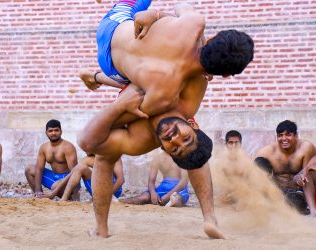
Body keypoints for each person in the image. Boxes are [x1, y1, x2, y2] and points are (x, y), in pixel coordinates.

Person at [78, 0, 253, 239]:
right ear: (222, 74)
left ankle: (210, 218)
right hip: (115, 38)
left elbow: (183, 6)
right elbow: (89, 140)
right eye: (184, 136)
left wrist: (158, 14)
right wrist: (154, 14)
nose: (176, 138)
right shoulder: (166, 96)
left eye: (175, 148)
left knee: (193, 151)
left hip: (125, 59)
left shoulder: (195, 25)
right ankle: (101, 227)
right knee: (110, 149)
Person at [254, 120, 316, 214]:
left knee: (295, 203)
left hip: (298, 192)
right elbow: (253, 175)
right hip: (276, 192)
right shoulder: (266, 152)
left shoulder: (306, 148)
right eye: (280, 135)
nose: (284, 138)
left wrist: (301, 178)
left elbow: (308, 173)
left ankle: (309, 209)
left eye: (288, 135)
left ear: (296, 136)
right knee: (259, 164)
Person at [24, 119, 79, 199]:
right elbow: (39, 169)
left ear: (61, 131)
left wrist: (53, 193)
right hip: (53, 177)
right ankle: (40, 197)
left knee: (55, 186)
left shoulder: (68, 147)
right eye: (50, 131)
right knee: (29, 169)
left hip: (67, 179)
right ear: (46, 133)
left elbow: (75, 173)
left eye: (56, 130)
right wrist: (38, 190)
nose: (53, 133)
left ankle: (69, 196)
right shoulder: (44, 148)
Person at [122, 150, 189, 207]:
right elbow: (151, 181)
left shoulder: (182, 156)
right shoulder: (158, 158)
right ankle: (119, 201)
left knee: (177, 198)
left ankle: (171, 201)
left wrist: (168, 195)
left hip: (179, 189)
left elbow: (184, 181)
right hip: (162, 188)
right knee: (143, 198)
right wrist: (153, 193)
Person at [58, 155, 124, 202]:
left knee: (101, 167)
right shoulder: (87, 159)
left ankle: (108, 198)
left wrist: (106, 195)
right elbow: (71, 174)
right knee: (80, 167)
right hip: (98, 192)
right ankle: (64, 199)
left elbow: (121, 180)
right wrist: (54, 192)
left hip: (114, 191)